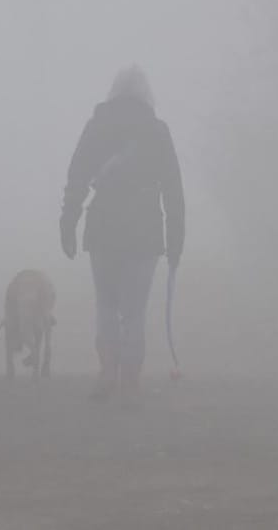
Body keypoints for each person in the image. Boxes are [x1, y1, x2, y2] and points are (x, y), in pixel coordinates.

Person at [60, 65, 185, 406]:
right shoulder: (157, 132)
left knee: (106, 304)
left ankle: (106, 375)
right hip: (144, 231)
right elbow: (173, 190)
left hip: (103, 228)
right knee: (134, 310)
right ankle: (130, 382)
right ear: (147, 94)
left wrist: (67, 224)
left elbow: (77, 175)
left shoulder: (97, 127)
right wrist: (176, 241)